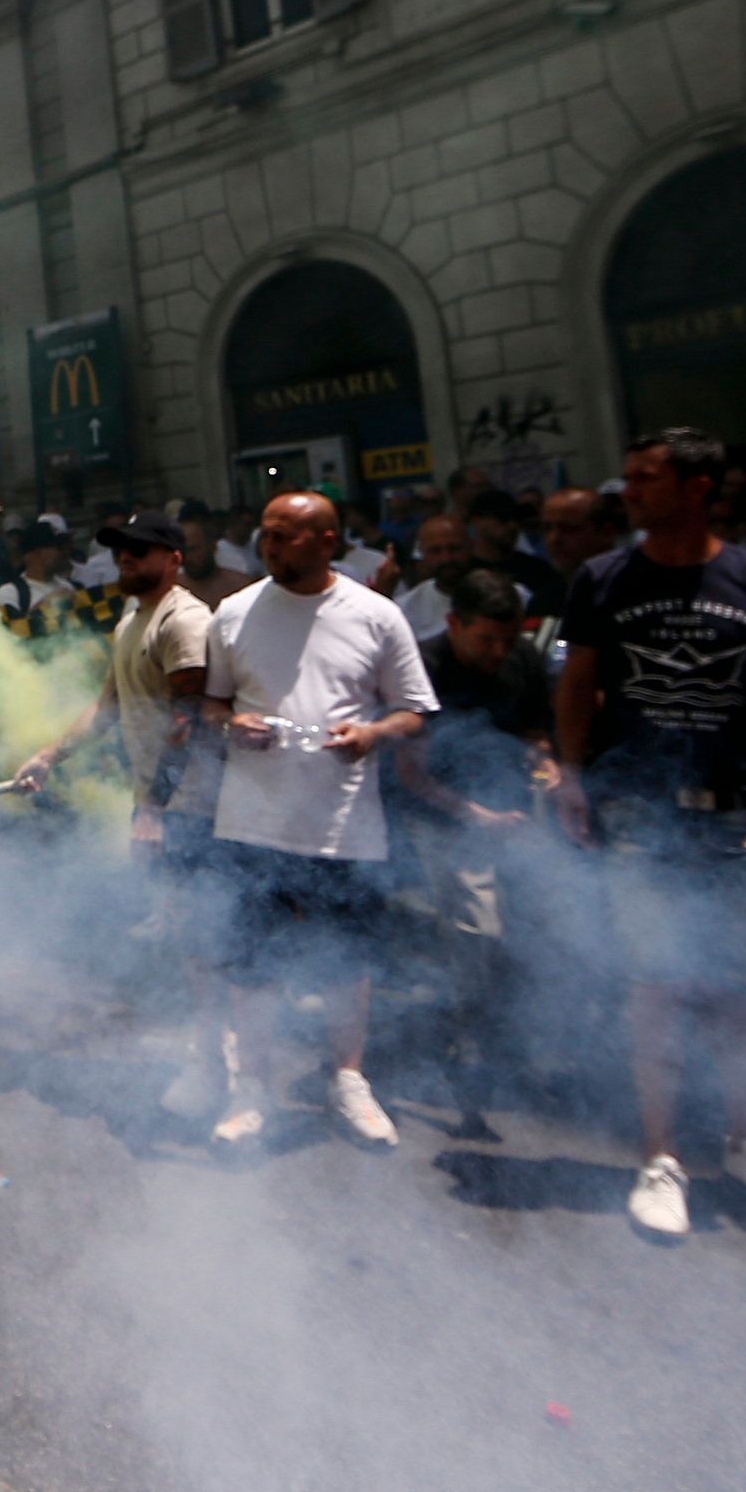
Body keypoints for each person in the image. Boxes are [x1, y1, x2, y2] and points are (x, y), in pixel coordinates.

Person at [552, 428, 746, 1239]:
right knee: (657, 991)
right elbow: (577, 683)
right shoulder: (602, 579)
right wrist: (571, 775)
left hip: (743, 814)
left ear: (700, 487)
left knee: (744, 999)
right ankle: (660, 1158)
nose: (628, 490)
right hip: (642, 816)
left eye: (646, 477)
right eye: (629, 476)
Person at [199, 491, 438, 1151]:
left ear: (327, 540)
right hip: (252, 821)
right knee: (251, 963)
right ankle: (250, 1091)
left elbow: (414, 710)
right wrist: (232, 723)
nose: (269, 548)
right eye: (265, 535)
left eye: (285, 537)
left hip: (344, 822)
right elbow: (211, 706)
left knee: (348, 961)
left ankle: (349, 1080)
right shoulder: (234, 612)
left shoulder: (375, 614)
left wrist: (372, 732)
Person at [14, 510, 232, 1117]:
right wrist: (50, 755)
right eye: (121, 551)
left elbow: (189, 727)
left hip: (195, 805)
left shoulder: (184, 622)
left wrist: (154, 809)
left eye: (141, 550)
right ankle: (215, 1052)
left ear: (174, 558)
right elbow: (107, 706)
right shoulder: (132, 620)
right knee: (191, 935)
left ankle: (218, 1063)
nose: (127, 560)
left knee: (204, 936)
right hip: (166, 802)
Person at [392, 569, 555, 1137]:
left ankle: (519, 1040)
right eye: (486, 640)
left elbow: (537, 728)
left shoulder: (523, 660)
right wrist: (477, 817)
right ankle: (464, 1046)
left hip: (518, 820)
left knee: (537, 932)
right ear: (454, 623)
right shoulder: (424, 667)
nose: (498, 652)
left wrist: (544, 761)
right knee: (476, 935)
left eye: (507, 641)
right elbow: (410, 772)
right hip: (446, 822)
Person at [464, 488, 568, 619]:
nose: (513, 526)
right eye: (502, 518)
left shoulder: (538, 570)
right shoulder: (463, 571)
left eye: (516, 518)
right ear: (477, 521)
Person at [395, 514, 471, 645]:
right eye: (435, 551)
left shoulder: (507, 594)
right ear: (422, 554)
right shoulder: (405, 608)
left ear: (471, 546)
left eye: (454, 548)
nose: (446, 558)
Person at [178, 505, 255, 609]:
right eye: (183, 551)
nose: (187, 557)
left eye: (194, 549)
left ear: (212, 547)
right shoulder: (172, 589)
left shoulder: (241, 587)